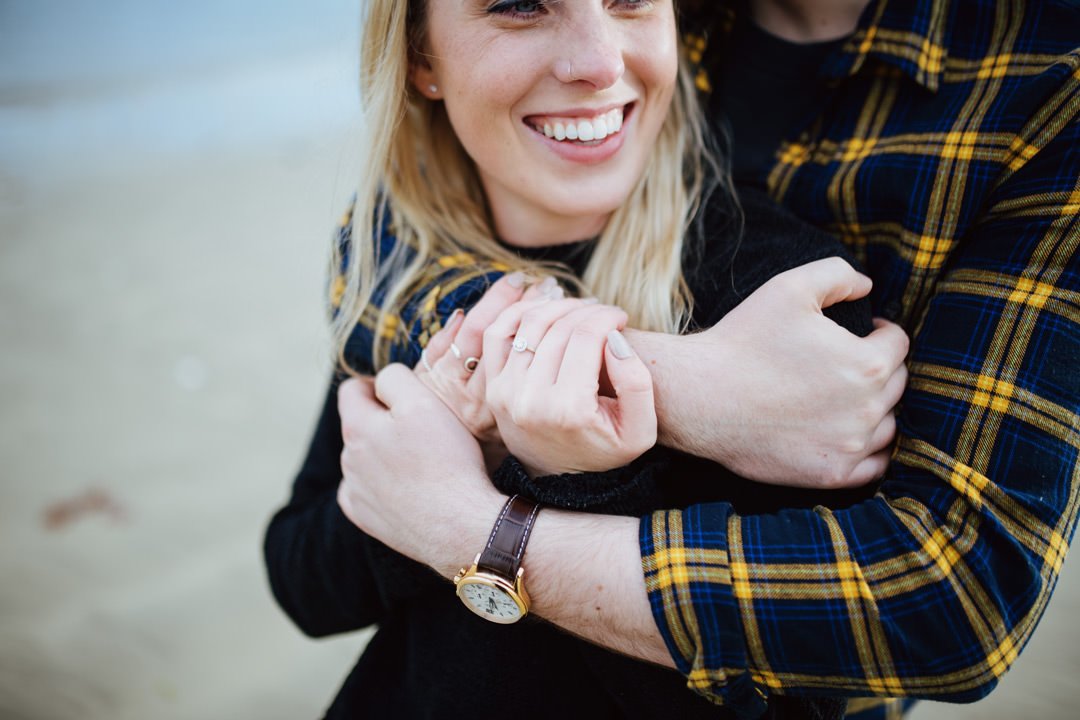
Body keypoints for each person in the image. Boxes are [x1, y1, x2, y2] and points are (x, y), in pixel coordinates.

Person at [325, 0, 1080, 718]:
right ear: (420, 59)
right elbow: (307, 566)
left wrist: (481, 520)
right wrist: (676, 387)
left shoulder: (778, 273)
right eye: (520, 2)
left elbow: (947, 598)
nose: (594, 60)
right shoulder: (444, 203)